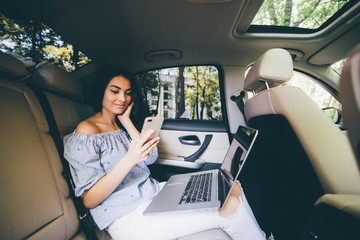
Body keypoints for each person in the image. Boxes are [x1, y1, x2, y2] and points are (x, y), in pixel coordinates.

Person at [64, 65, 267, 240]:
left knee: (232, 186)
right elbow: (89, 200)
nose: (122, 98)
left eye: (127, 92)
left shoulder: (119, 125)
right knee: (229, 206)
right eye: (114, 91)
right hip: (126, 217)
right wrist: (129, 159)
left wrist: (126, 121)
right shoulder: (86, 131)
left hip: (153, 194)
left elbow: (150, 159)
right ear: (101, 91)